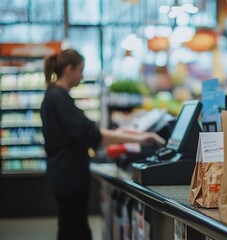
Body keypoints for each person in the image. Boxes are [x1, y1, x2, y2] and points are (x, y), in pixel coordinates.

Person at [41, 48, 165, 240]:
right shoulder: (58, 97)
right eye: (80, 70)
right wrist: (138, 138)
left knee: (70, 227)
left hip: (64, 175)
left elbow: (87, 132)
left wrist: (126, 133)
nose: (81, 76)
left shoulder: (55, 96)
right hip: (69, 177)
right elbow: (92, 135)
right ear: (68, 69)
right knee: (75, 230)